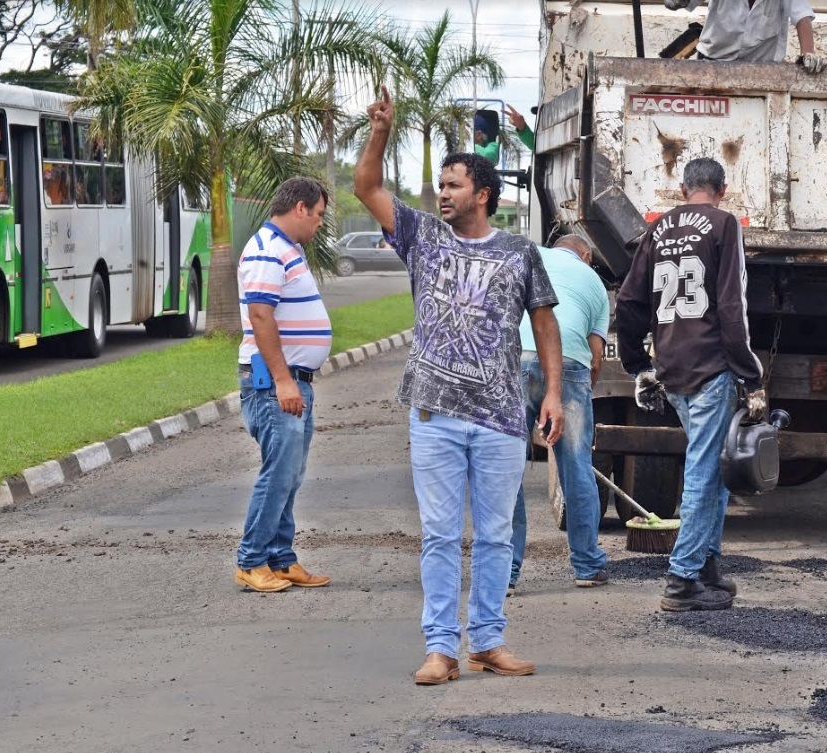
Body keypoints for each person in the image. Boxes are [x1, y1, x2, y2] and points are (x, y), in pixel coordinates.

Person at [354, 86, 567, 686]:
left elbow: (544, 322)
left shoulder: (521, 253)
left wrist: (552, 394)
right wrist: (380, 132)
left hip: (500, 417)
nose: (442, 194)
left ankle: (489, 641)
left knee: (496, 536)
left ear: (484, 194)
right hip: (435, 416)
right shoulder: (423, 237)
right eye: (441, 186)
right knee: (441, 535)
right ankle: (441, 648)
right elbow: (366, 188)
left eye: (453, 186)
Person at [615, 157, 766, 613]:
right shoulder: (725, 225)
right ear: (722, 190)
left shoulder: (658, 230)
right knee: (703, 471)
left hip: (672, 367)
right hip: (710, 367)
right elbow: (731, 305)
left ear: (683, 190)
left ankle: (706, 567)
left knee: (715, 469)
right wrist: (750, 373)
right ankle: (681, 580)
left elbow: (628, 301)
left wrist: (638, 364)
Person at [234, 176, 335, 594]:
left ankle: (281, 558)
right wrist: (282, 381)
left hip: (294, 381)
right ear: (300, 208)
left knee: (291, 474)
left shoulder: (287, 249)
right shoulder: (266, 250)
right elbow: (261, 317)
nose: (318, 224)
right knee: (279, 472)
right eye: (318, 215)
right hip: (277, 383)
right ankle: (251, 560)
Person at [510, 234, 610, 595]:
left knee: (506, 467)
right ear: (585, 255)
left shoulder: (531, 257)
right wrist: (582, 393)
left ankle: (506, 573)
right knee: (577, 467)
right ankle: (587, 566)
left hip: (516, 359)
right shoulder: (595, 282)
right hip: (569, 366)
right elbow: (596, 355)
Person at [664, 0, 826, 72]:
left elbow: (802, 17)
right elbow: (676, 3)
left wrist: (808, 54)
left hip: (763, 71)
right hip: (711, 64)